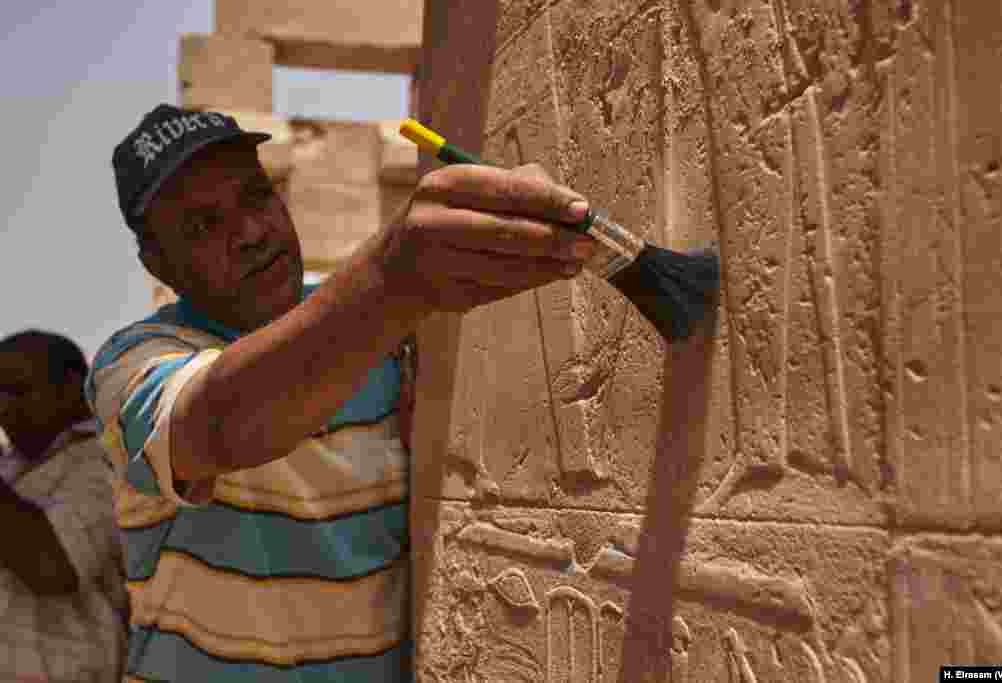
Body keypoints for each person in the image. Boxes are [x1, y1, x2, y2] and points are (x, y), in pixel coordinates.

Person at [88, 104, 597, 681]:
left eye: (255, 196)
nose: (250, 234)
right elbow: (220, 425)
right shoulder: (131, 366)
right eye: (203, 226)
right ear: (157, 262)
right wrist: (393, 277)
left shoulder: (383, 331)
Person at [0, 330, 127, 682]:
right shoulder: (9, 467)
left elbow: (53, 567)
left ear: (71, 385)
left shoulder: (106, 459)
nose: (4, 407)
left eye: (19, 390)